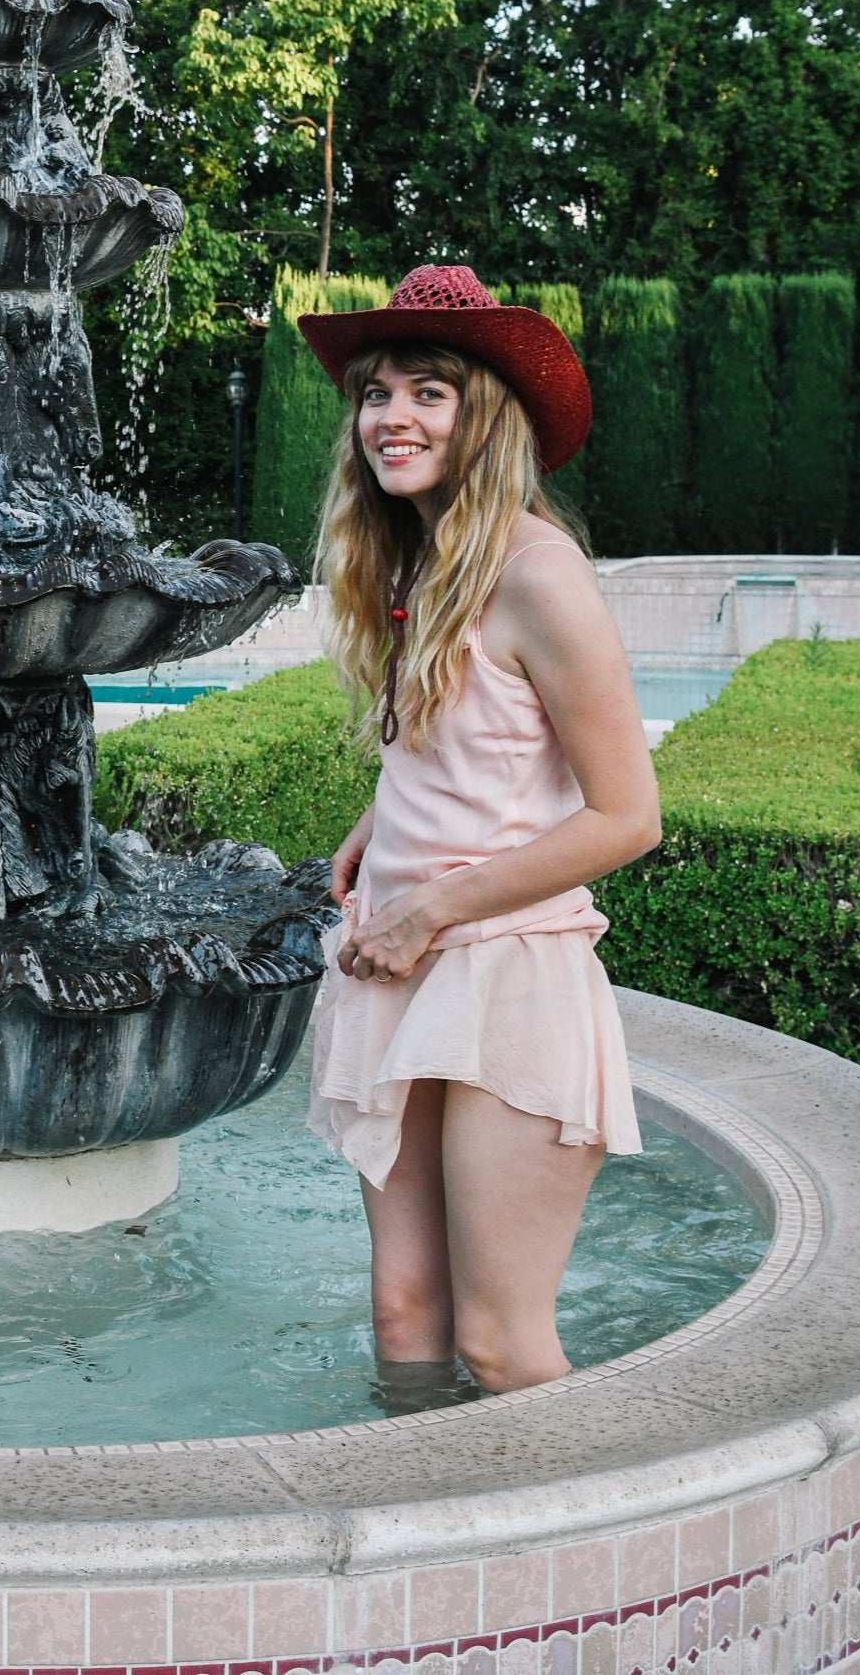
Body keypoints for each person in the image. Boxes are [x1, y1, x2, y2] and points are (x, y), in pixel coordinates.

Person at [296, 264, 661, 1398]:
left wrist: (431, 907)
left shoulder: (541, 574)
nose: (391, 417)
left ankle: (583, 1567)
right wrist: (385, 813)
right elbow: (486, 743)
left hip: (505, 971)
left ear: (484, 414)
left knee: (500, 1343)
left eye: (428, 392)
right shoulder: (420, 563)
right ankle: (420, 1569)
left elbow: (628, 816)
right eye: (376, 393)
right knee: (405, 1314)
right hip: (401, 963)